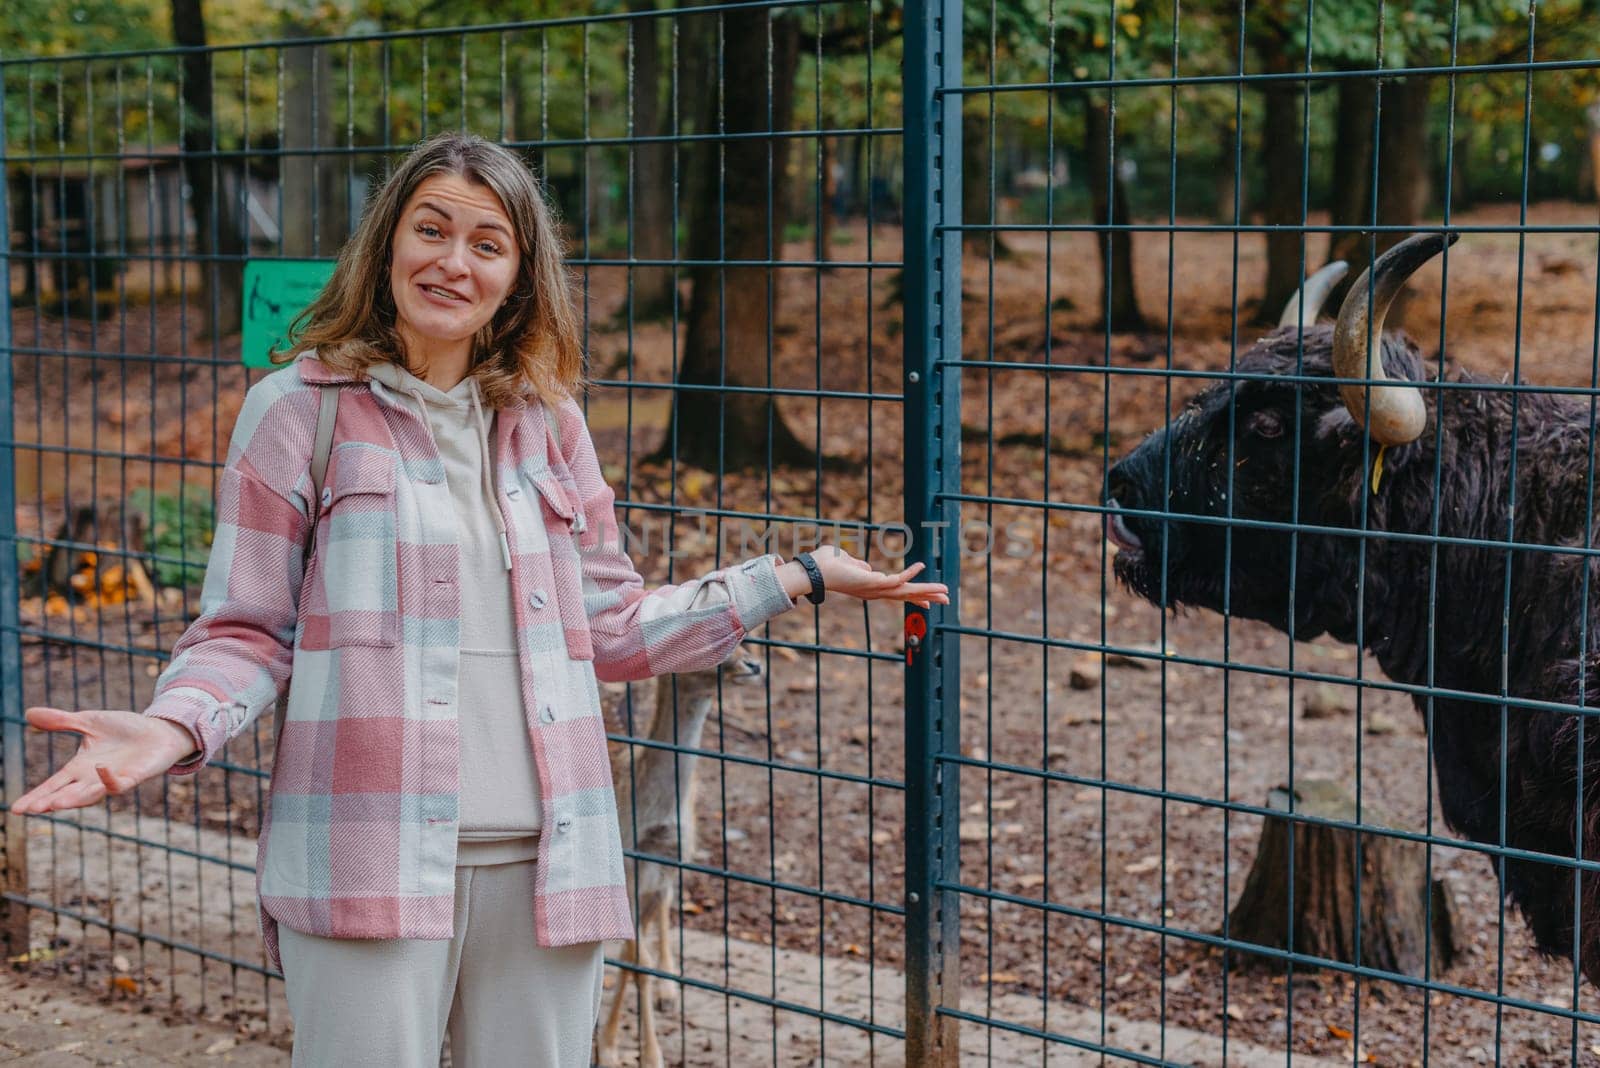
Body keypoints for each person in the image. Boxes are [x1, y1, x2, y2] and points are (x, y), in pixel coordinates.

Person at [9, 132, 948, 1067]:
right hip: (365, 854)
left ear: (518, 276)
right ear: (387, 246)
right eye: (431, 230)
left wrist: (793, 578)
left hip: (552, 861)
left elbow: (612, 627)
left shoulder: (549, 422)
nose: (453, 261)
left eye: (487, 243)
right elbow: (249, 629)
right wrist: (173, 727)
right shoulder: (299, 410)